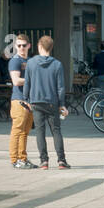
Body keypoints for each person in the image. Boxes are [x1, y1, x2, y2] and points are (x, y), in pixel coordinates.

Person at [25, 35, 70, 169]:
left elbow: (27, 83)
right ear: (51, 48)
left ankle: (44, 161)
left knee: (40, 131)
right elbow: (61, 87)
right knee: (56, 131)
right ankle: (61, 160)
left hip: (36, 102)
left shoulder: (31, 63)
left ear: (39, 46)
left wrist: (26, 99)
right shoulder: (57, 64)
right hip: (52, 102)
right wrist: (62, 104)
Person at [8, 35, 34, 169]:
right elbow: (16, 81)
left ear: (29, 45)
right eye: (18, 46)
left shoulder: (29, 60)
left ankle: (23, 158)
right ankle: (15, 159)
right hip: (19, 100)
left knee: (25, 132)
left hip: (29, 100)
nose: (21, 48)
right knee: (17, 131)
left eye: (24, 45)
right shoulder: (15, 61)